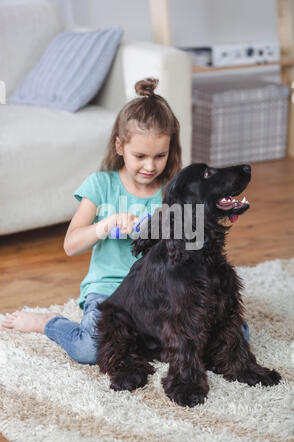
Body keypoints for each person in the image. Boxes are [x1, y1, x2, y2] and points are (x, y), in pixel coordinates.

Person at [0, 78, 182, 364]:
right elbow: (71, 245)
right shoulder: (101, 185)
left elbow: (189, 247)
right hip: (108, 291)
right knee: (89, 350)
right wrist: (105, 225)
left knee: (220, 339)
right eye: (140, 156)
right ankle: (49, 322)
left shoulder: (172, 192)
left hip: (155, 293)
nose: (150, 166)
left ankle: (137, 338)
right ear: (120, 146)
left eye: (160, 155)